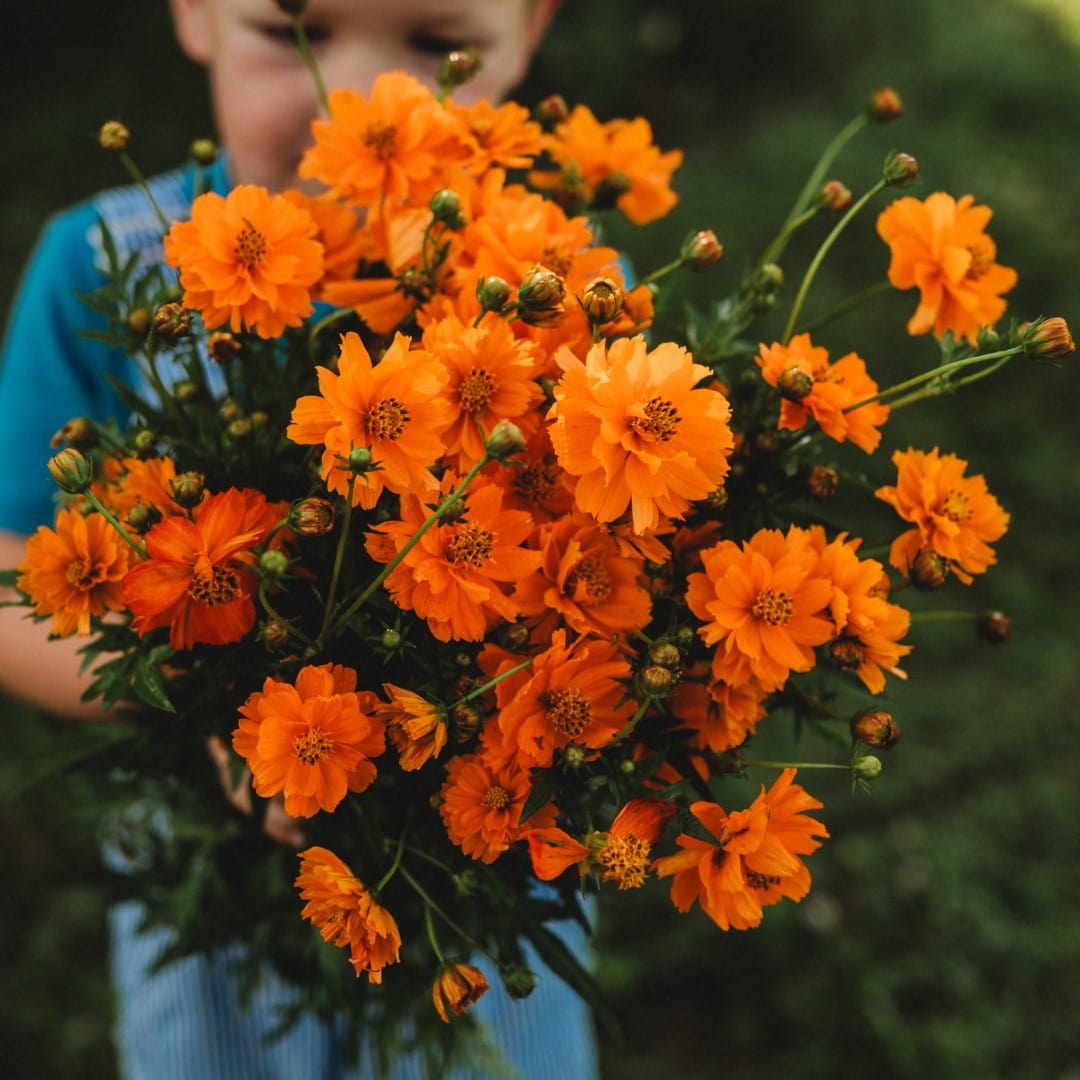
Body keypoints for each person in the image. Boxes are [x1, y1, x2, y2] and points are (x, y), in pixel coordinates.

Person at [0, 2, 601, 1077]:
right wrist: (199, 705)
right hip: (209, 858)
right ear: (194, 15)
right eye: (293, 31)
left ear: (532, 29)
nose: (369, 104)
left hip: (480, 861)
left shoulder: (566, 291)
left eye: (435, 48)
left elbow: (621, 566)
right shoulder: (103, 266)